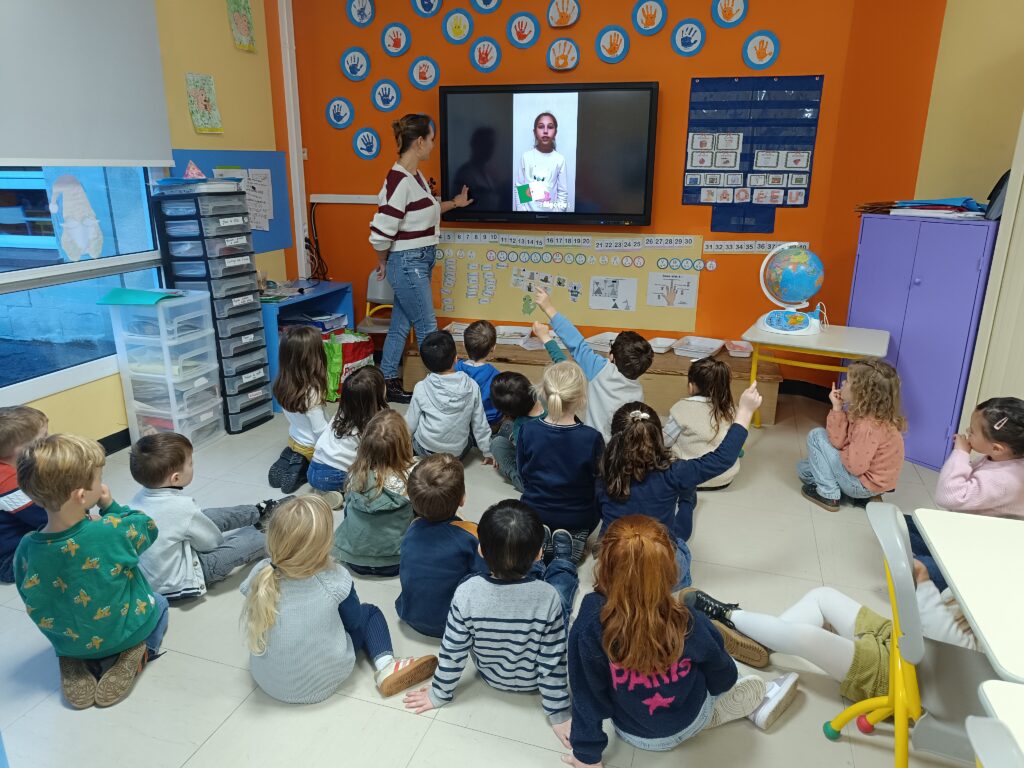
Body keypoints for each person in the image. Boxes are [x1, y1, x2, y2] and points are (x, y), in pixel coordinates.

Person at [564, 516, 798, 767]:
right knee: (721, 659)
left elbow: (586, 695)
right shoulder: (688, 620)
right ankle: (750, 701)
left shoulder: (590, 624)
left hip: (636, 735)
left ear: (604, 566)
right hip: (692, 718)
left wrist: (587, 756)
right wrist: (724, 684)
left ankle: (727, 708)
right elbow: (723, 676)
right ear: (671, 573)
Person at [685, 558, 975, 709]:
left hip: (913, 681)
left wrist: (923, 585)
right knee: (822, 596)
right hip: (904, 641)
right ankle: (761, 641)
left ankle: (729, 616)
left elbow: (950, 643)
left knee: (807, 638)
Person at [403, 500, 577, 750]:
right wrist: (559, 713)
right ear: (538, 553)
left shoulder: (466, 592)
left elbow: (453, 650)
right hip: (534, 682)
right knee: (562, 597)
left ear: (481, 550)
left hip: (491, 677)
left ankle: (546, 565)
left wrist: (438, 694)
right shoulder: (547, 597)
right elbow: (553, 659)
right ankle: (562, 563)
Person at [14, 434, 169, 709]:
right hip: (124, 632)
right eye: (99, 478)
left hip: (68, 640)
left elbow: (29, 595)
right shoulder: (109, 530)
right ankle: (138, 651)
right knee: (160, 603)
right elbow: (147, 526)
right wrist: (110, 507)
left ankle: (72, 659)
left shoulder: (26, 548)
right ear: (82, 495)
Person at [240, 495, 437, 704]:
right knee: (369, 613)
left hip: (268, 681)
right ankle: (387, 665)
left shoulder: (262, 573)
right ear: (324, 545)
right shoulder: (334, 579)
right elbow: (354, 621)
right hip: (322, 682)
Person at [596, 390, 760, 588]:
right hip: (660, 575)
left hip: (615, 575)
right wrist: (745, 411)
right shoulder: (674, 473)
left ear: (615, 437)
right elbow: (722, 459)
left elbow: (597, 510)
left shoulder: (602, 473)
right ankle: (687, 499)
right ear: (658, 437)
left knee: (610, 534)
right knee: (677, 536)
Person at [370, 113, 474, 404]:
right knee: (428, 328)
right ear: (418, 142)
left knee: (401, 326)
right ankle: (442, 394)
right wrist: (383, 261)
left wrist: (455, 203)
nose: (433, 145)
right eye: (431, 139)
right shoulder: (398, 181)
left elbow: (425, 211)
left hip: (418, 260)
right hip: (408, 263)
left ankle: (387, 382)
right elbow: (380, 233)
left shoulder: (414, 178)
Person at [129, 433, 284, 600]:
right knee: (246, 543)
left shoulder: (134, 503)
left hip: (155, 576)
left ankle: (258, 511)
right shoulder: (183, 507)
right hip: (184, 580)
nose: (193, 466)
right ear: (176, 478)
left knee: (203, 516)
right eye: (190, 463)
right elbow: (211, 543)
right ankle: (274, 533)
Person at [910, 396, 1024, 592]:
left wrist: (960, 453)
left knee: (919, 567)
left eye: (971, 431)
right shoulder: (999, 458)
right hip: (966, 533)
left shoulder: (1005, 480)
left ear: (997, 448)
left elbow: (949, 496)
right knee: (906, 524)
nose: (967, 433)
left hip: (977, 553)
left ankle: (938, 574)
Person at [534, 287, 653, 441]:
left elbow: (576, 342)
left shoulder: (600, 369)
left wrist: (548, 308)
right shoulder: (638, 393)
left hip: (591, 444)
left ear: (612, 357)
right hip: (618, 449)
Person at [518, 361, 604, 564]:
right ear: (581, 398)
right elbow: (598, 483)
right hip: (579, 516)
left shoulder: (528, 430)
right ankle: (573, 539)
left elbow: (523, 474)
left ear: (543, 392)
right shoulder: (591, 438)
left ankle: (541, 538)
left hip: (534, 511)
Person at [395, 454, 489, 637]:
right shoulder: (470, 534)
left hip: (409, 615)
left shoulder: (411, 530)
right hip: (453, 624)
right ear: (462, 499)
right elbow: (487, 573)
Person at [799, 359, 905, 511]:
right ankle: (858, 495)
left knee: (816, 436)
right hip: (871, 482)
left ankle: (829, 494)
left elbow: (855, 467)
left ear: (862, 393)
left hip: (862, 483)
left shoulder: (867, 427)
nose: (842, 383)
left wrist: (840, 452)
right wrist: (837, 408)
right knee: (803, 469)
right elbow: (838, 441)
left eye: (847, 381)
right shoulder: (869, 414)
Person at [332, 410, 416, 577]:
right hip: (395, 562)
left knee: (350, 504)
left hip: (354, 560)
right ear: (404, 444)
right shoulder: (413, 475)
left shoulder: (355, 474)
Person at [488, 331, 565, 492]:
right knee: (506, 433)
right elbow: (564, 366)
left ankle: (515, 476)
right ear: (529, 382)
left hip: (537, 484)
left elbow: (527, 461)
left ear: (508, 414)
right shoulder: (552, 397)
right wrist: (546, 338)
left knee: (496, 443)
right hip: (562, 470)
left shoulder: (520, 429)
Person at [308, 366, 388, 510]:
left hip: (313, 468)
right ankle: (333, 494)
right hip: (335, 475)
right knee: (370, 476)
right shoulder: (370, 426)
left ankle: (323, 491)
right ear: (376, 395)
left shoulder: (340, 414)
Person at [405, 330, 491, 459]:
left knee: (418, 427)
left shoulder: (421, 387)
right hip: (455, 455)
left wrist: (403, 445)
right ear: (456, 358)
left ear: (427, 365)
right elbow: (480, 423)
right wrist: (488, 451)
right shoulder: (472, 386)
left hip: (426, 451)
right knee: (469, 436)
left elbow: (410, 423)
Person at [663, 356, 741, 489]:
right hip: (724, 476)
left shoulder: (681, 408)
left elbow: (666, 441)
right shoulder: (732, 409)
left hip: (688, 476)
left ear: (691, 387)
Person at [269, 325, 329, 494]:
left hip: (294, 438)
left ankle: (292, 455)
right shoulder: (311, 392)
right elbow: (319, 430)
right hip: (311, 446)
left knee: (299, 446)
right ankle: (303, 467)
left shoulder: (283, 384)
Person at [0, 406, 49, 583]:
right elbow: (47, 517)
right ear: (19, 451)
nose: (48, 443)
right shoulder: (9, 483)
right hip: (10, 560)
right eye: (42, 440)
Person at [515, 112, 569, 212]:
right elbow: (520, 189)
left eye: (550, 127)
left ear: (555, 132)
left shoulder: (559, 159)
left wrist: (555, 216)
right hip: (528, 218)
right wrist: (523, 215)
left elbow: (562, 194)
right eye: (541, 127)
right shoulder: (526, 157)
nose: (545, 131)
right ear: (534, 132)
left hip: (551, 218)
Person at [454, 320, 503, 429]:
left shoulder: (455, 368)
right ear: (493, 348)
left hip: (461, 419)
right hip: (488, 422)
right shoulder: (496, 375)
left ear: (464, 344)